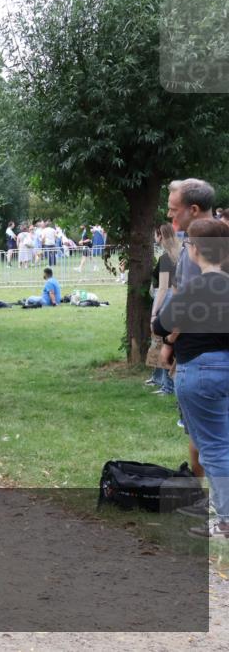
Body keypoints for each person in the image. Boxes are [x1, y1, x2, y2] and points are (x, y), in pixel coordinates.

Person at [154, 218, 229, 538]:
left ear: (196, 250)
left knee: (213, 448)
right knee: (219, 443)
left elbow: (160, 325)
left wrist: (170, 338)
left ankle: (225, 520)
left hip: (199, 371)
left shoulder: (193, 289)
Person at [165, 178, 217, 483]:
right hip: (206, 355)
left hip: (199, 357)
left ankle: (205, 499)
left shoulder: (204, 246)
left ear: (194, 209)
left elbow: (190, 304)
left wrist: (169, 341)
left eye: (174, 210)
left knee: (205, 438)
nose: (170, 216)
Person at [146, 224, 179, 393]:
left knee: (163, 341)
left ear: (160, 236)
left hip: (166, 301)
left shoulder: (166, 258)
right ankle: (160, 379)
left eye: (155, 234)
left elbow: (164, 288)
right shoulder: (181, 254)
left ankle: (168, 385)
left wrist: (154, 314)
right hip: (176, 300)